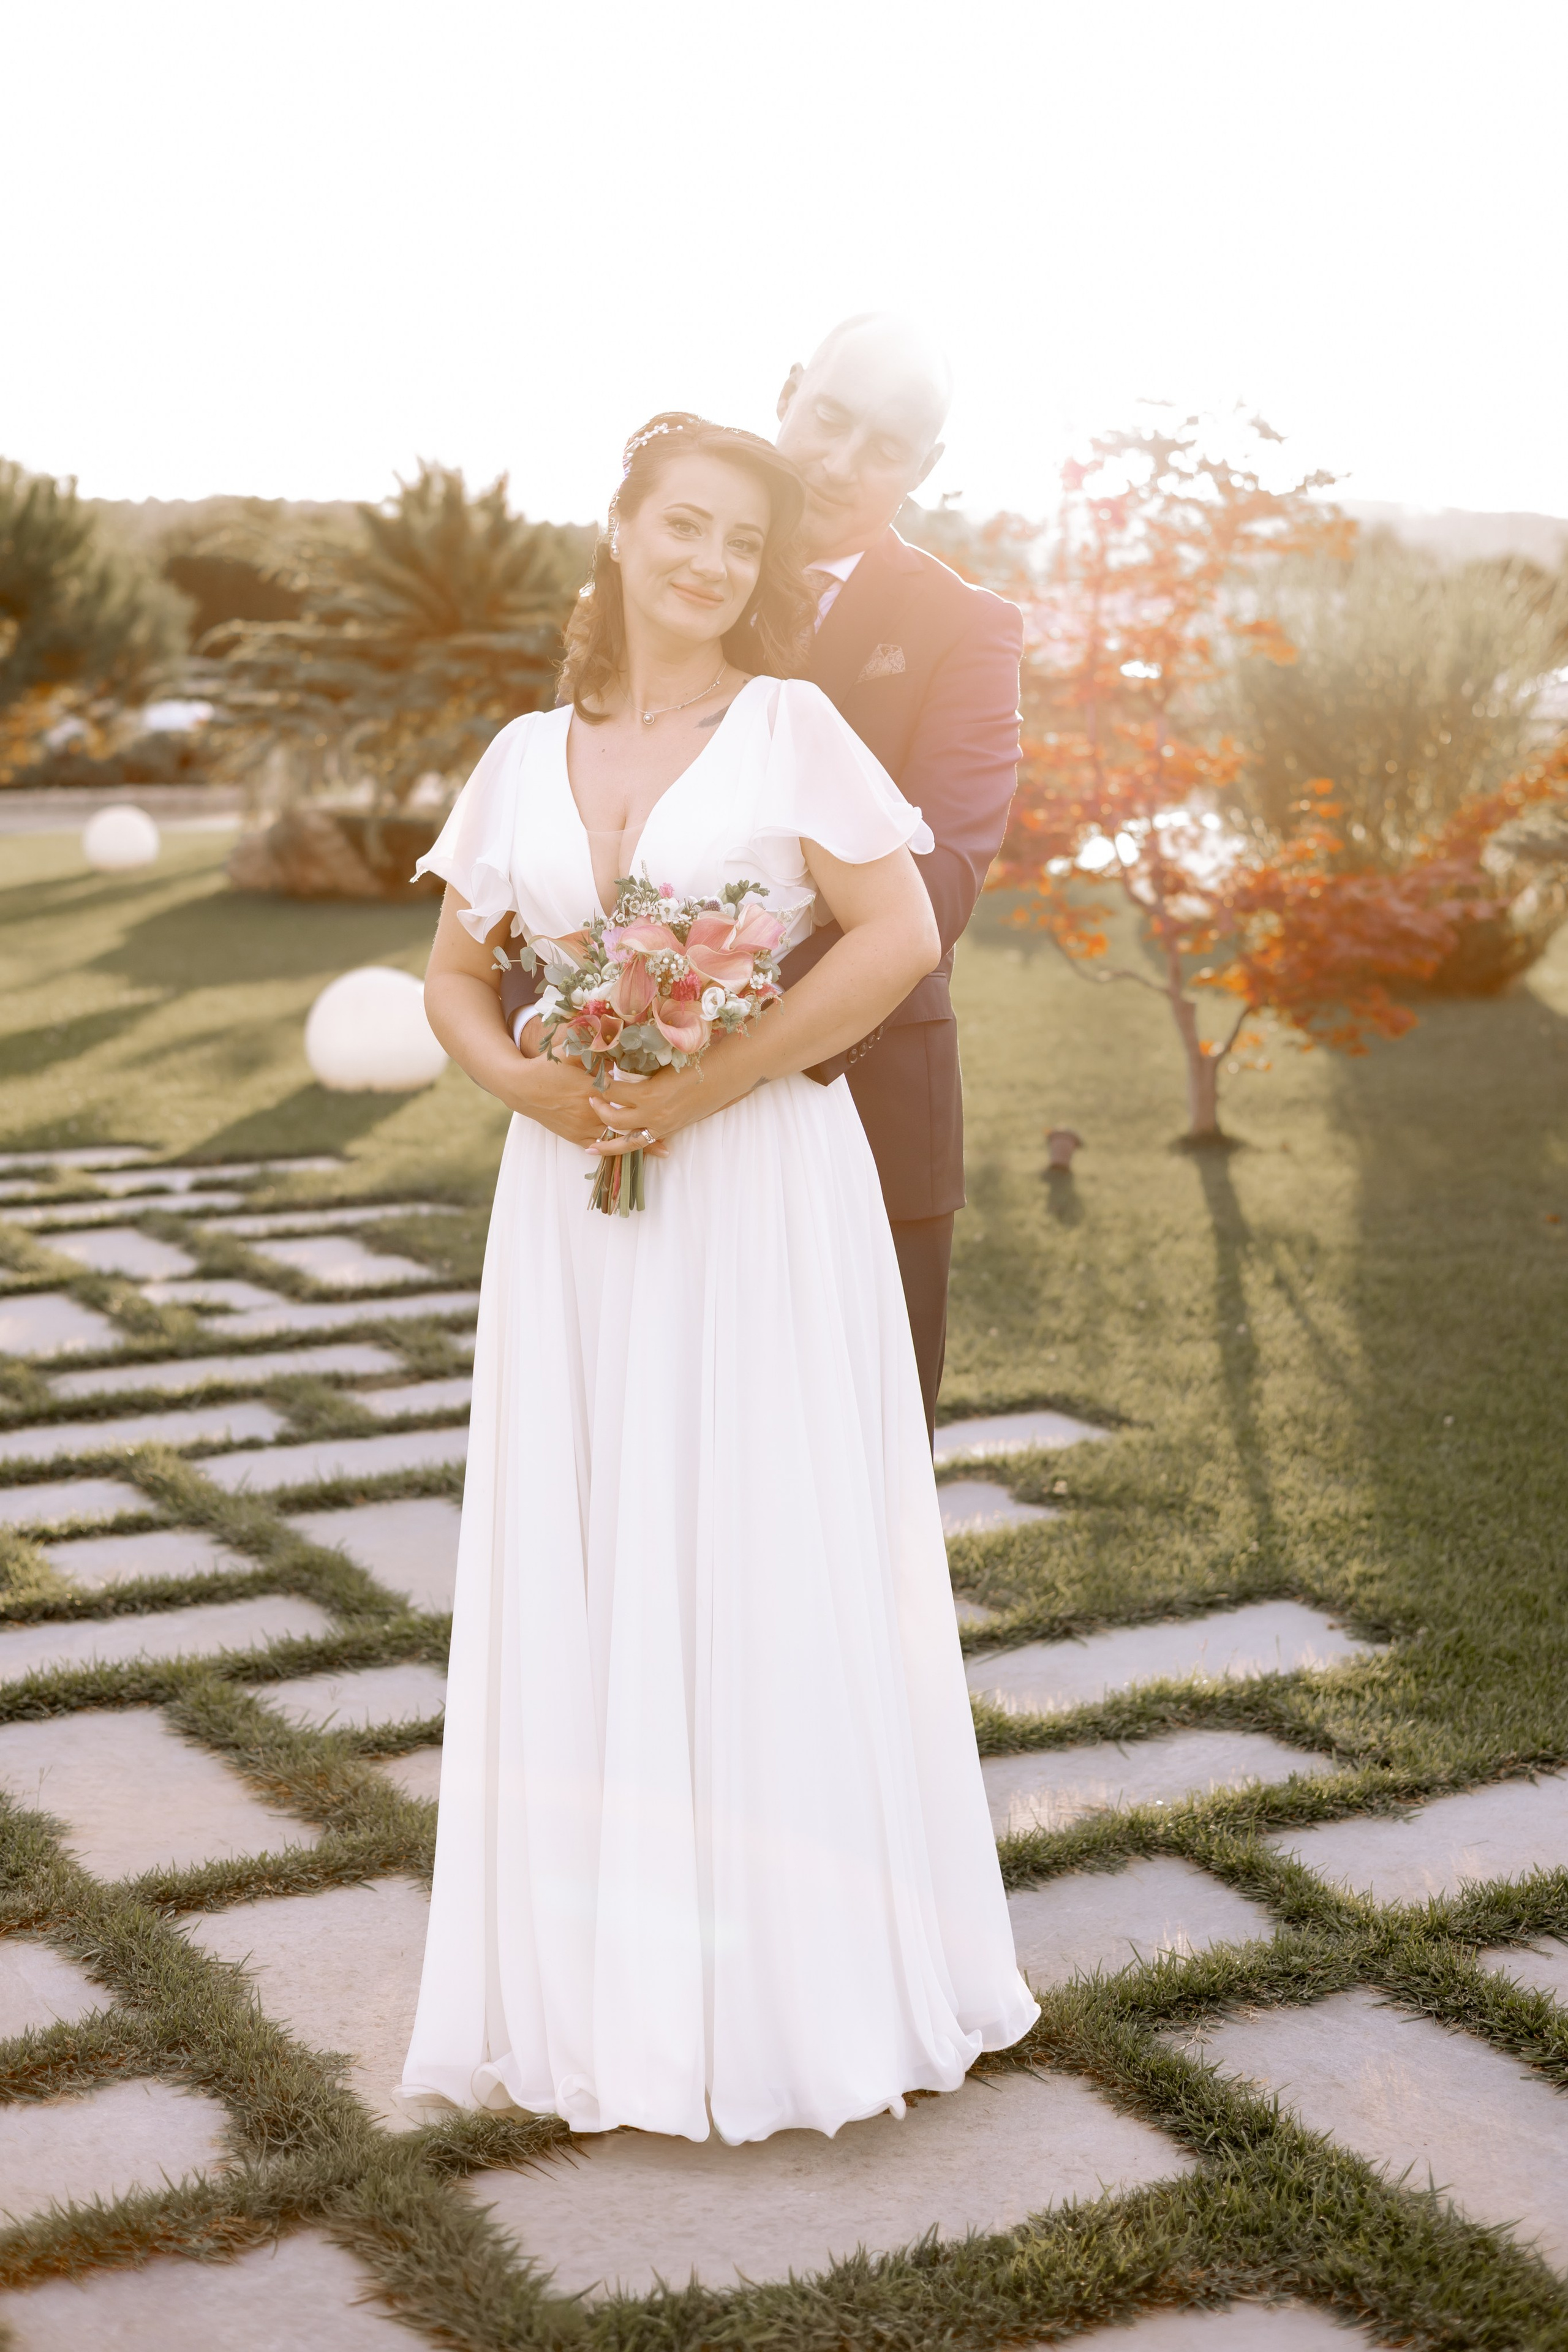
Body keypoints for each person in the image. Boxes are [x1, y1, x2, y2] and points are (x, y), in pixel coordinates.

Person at [398, 412, 1036, 2146]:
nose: (708, 562)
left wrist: (703, 1087)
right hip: (570, 1205)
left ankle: (795, 1986)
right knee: (598, 1544)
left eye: (740, 544)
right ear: (615, 530)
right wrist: (517, 1078)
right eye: (681, 526)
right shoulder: (525, 751)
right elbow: (458, 973)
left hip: (756, 1186)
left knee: (760, 1544)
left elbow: (899, 934)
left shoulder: (792, 729)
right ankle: (606, 1989)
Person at [499, 314, 1024, 1441]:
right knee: (644, 1460)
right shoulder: (656, 575)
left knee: (843, 1473)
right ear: (789, 391)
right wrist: (573, 1021)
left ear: (925, 470)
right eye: (828, 416)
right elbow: (564, 816)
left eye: (885, 445)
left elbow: (941, 879)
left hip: (860, 1099)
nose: (839, 460)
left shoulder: (964, 629)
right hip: (616, 1099)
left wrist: (714, 1039)